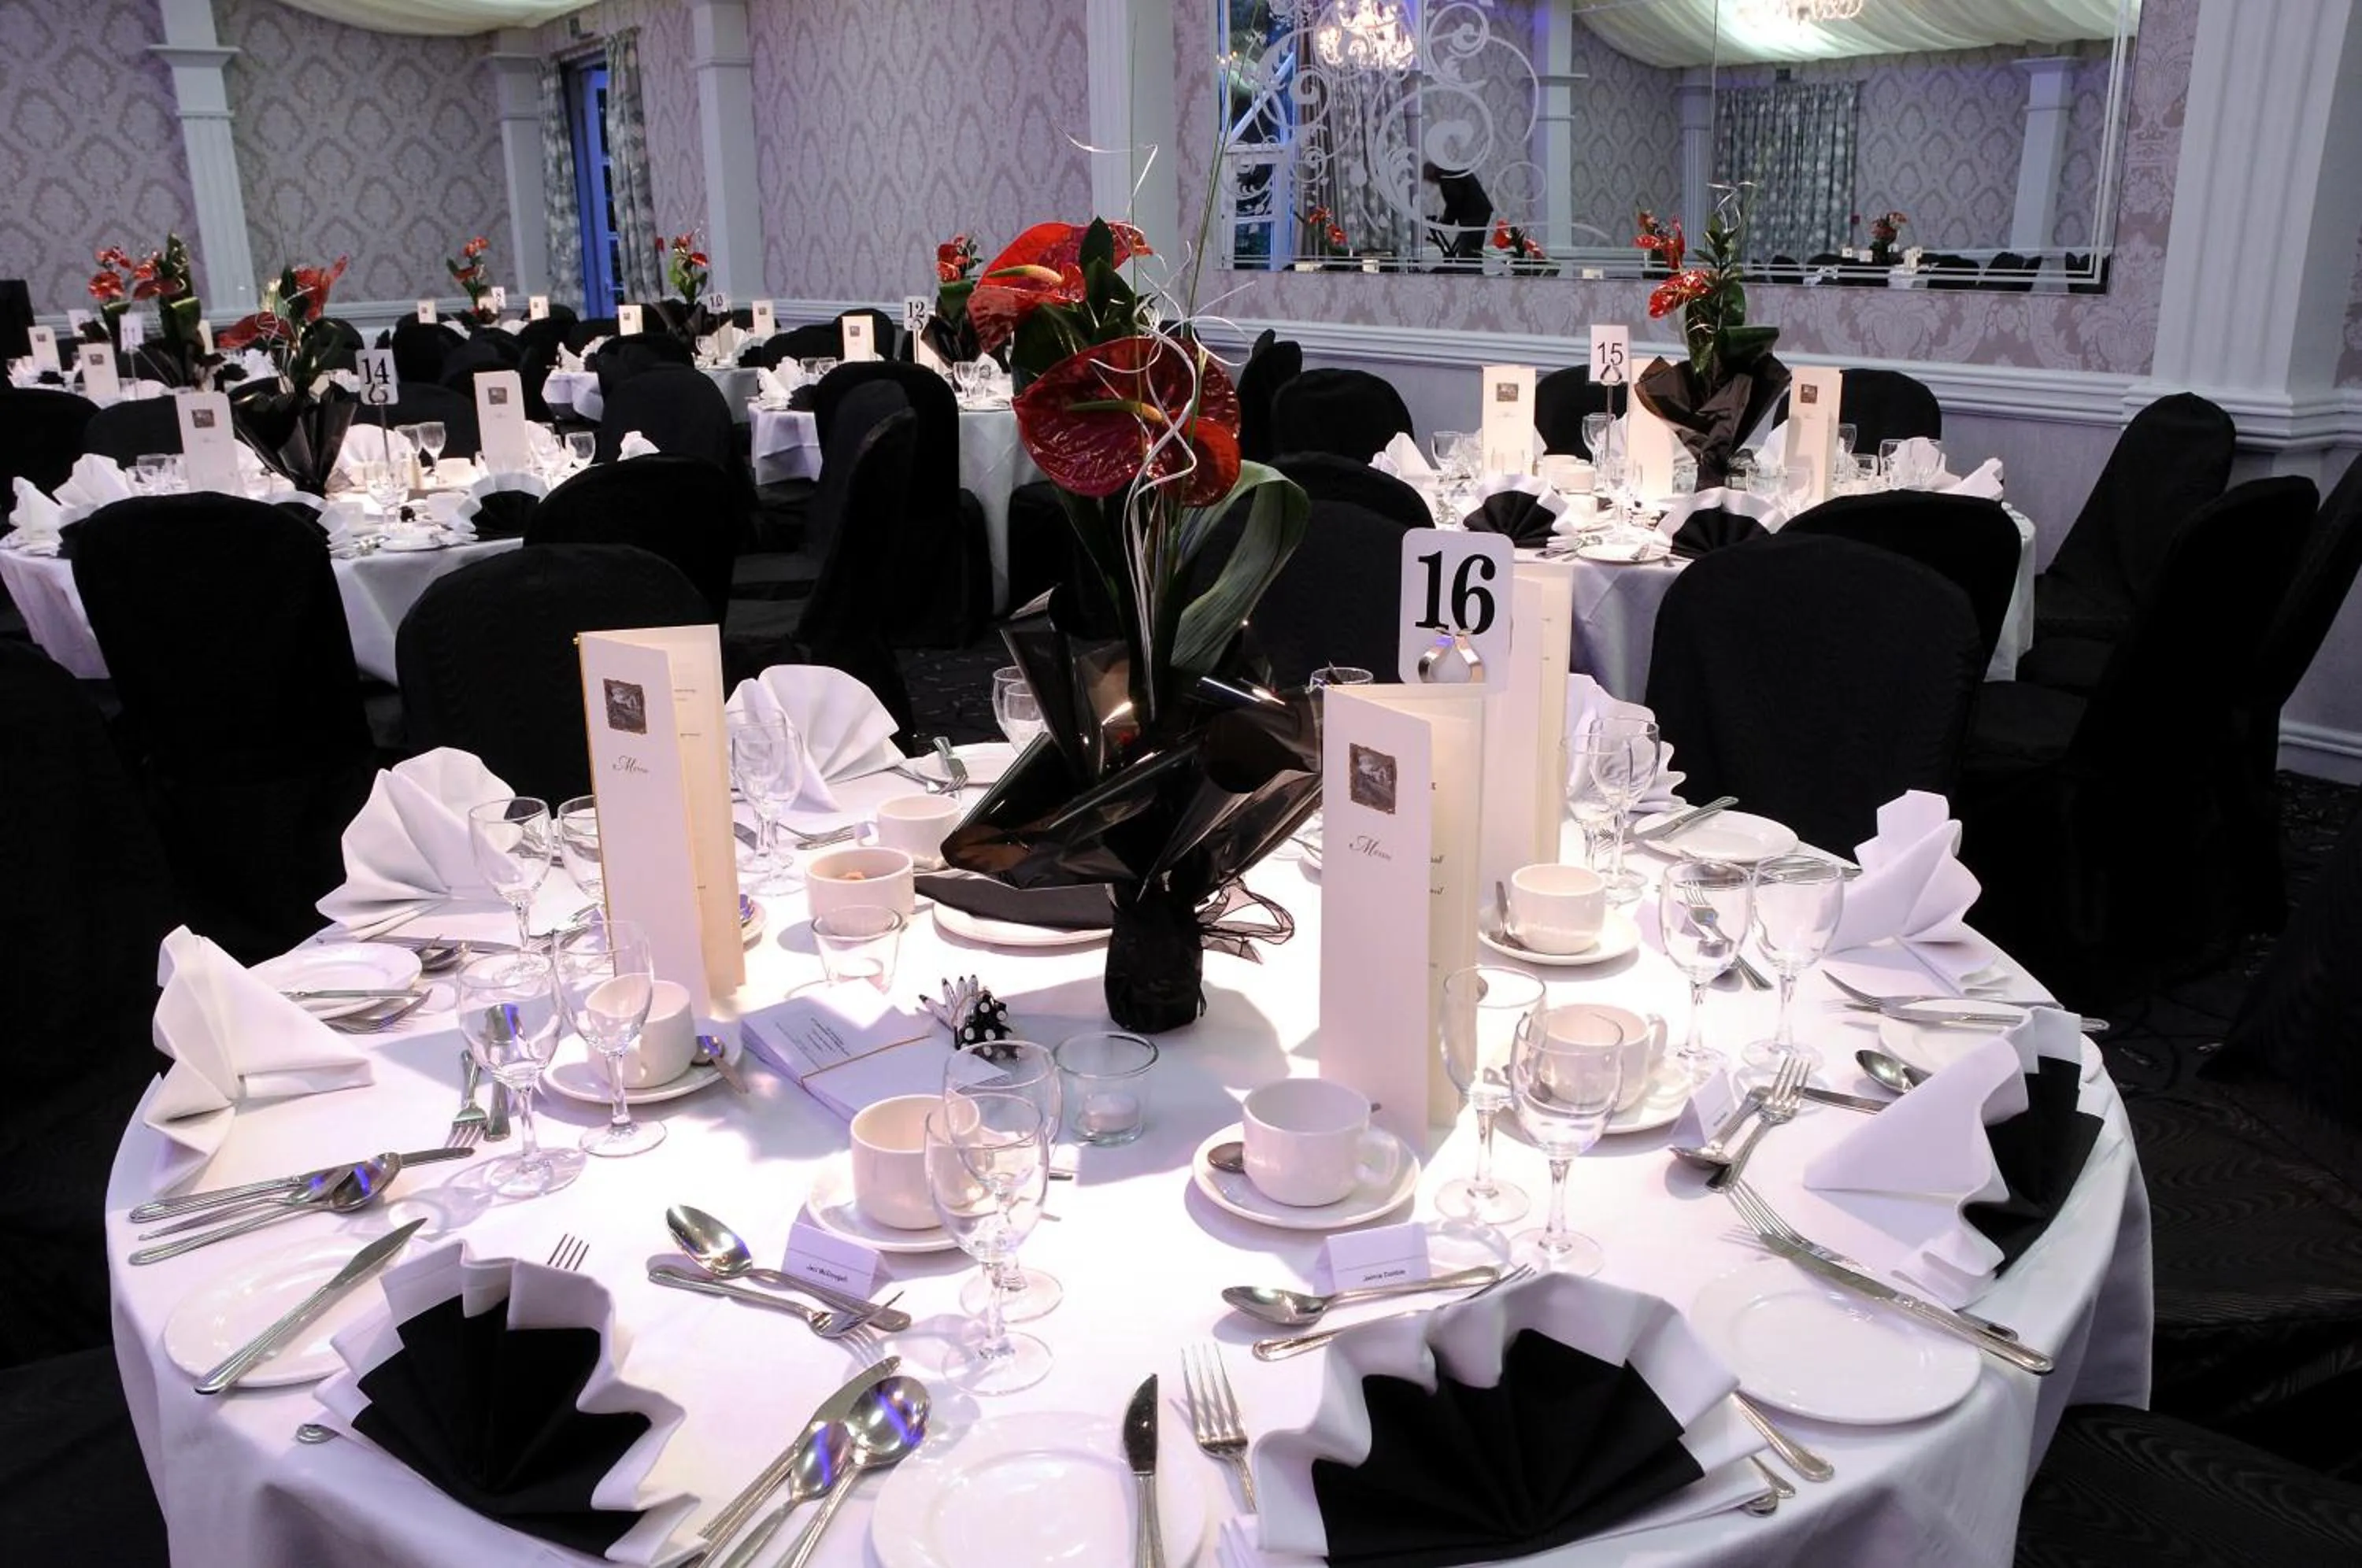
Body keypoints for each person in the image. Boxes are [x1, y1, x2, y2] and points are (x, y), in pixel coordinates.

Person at [1423, 161, 1494, 265]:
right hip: (1479, 211)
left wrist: (1446, 221)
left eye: (1429, 179)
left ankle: (1470, 274)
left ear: (1431, 174)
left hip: (1473, 214)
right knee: (1473, 248)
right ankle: (1473, 272)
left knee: (1468, 251)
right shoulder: (1451, 172)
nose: (1432, 183)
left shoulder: (1447, 178)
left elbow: (1454, 201)